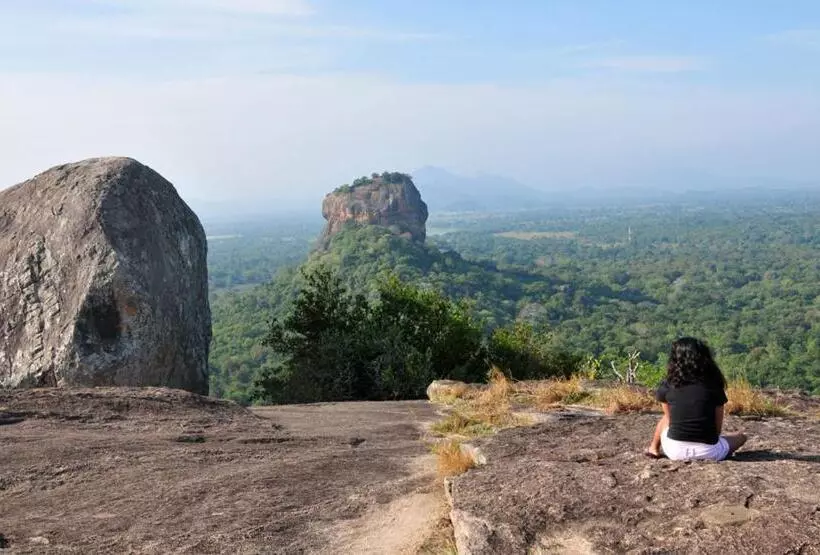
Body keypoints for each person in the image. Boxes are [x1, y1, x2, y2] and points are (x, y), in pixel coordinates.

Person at [645, 337, 747, 461]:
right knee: (741, 437)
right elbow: (717, 430)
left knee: (666, 418)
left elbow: (669, 419)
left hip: (674, 451)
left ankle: (653, 448)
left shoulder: (668, 384)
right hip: (710, 452)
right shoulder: (713, 384)